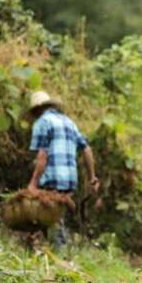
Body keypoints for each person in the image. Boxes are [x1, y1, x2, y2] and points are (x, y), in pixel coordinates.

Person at [27, 91, 99, 249]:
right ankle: (45, 256)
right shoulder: (69, 122)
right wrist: (92, 178)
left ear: (36, 110)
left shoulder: (42, 122)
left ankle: (61, 258)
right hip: (70, 181)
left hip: (52, 179)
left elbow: (42, 155)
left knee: (52, 222)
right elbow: (86, 149)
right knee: (48, 218)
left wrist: (33, 183)